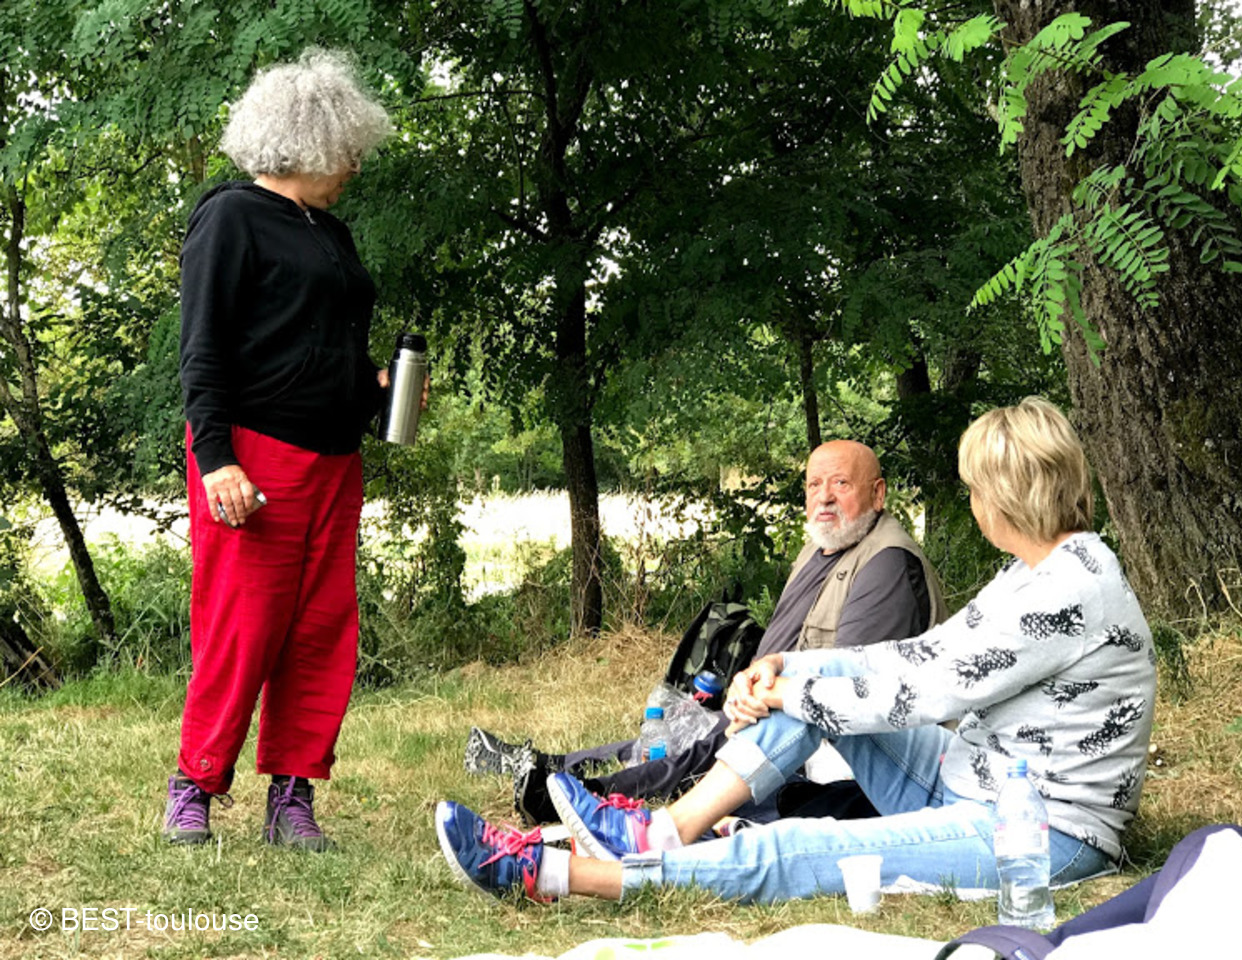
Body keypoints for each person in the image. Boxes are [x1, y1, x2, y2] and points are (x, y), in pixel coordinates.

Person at [437, 397, 1156, 906]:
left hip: (1044, 829)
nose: (972, 504)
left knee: (812, 848)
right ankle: (662, 829)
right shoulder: (1037, 570)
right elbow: (924, 654)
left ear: (1002, 496)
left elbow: (930, 690)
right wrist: (786, 670)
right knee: (820, 672)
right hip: (976, 777)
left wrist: (794, 692)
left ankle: (552, 876)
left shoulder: (1068, 589)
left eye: (974, 489)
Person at [164, 49, 422, 851]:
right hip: (253, 455)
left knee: (319, 631)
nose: (354, 166)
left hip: (334, 459)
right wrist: (215, 459)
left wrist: (375, 389)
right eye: (347, 149)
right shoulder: (230, 217)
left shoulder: (330, 231)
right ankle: (194, 785)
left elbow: (315, 346)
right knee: (243, 627)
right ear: (307, 142)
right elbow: (203, 349)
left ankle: (292, 795)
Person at [466, 439, 948, 825]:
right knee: (679, 729)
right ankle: (555, 768)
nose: (824, 497)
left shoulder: (886, 563)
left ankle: (593, 795)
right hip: (766, 700)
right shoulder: (820, 547)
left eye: (841, 483)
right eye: (814, 484)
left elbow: (846, 683)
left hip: (816, 734)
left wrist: (760, 699)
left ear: (878, 494)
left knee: (700, 750)